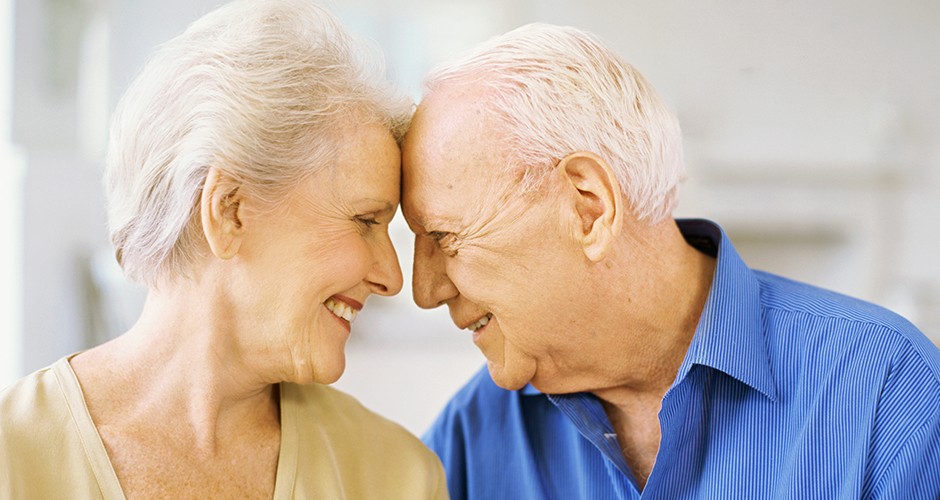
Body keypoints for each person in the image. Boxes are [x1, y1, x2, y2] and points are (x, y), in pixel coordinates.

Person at [401, 23, 940, 499]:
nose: (425, 290)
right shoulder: (478, 429)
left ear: (588, 208)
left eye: (445, 237)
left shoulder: (888, 391)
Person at [0, 1, 447, 498]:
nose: (393, 277)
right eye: (365, 221)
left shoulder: (398, 478)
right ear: (229, 210)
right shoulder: (11, 456)